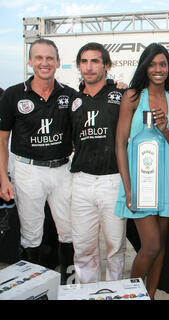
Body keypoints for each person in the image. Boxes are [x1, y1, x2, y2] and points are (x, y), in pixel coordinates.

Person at [0, 39, 75, 284]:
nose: (44, 63)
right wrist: (3, 179)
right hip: (27, 171)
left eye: (49, 58)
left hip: (62, 169)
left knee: (68, 230)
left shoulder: (69, 94)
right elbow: (2, 141)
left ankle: (68, 283)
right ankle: (34, 286)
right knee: (31, 235)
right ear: (30, 61)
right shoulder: (13, 94)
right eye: (39, 58)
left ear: (58, 62)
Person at [114, 43, 169, 299]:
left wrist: (166, 128)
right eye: (153, 64)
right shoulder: (132, 97)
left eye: (163, 64)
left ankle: (150, 295)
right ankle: (131, 292)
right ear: (145, 66)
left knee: (160, 246)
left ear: (168, 67)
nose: (158, 69)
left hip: (166, 180)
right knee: (151, 245)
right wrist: (128, 187)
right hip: (140, 181)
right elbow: (120, 144)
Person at [69, 42, 127, 283]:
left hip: (113, 180)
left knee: (115, 246)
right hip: (81, 181)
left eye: (95, 61)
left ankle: (114, 292)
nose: (89, 67)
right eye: (84, 61)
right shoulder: (72, 100)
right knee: (83, 247)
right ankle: (86, 292)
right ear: (79, 66)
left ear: (106, 65)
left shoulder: (121, 94)